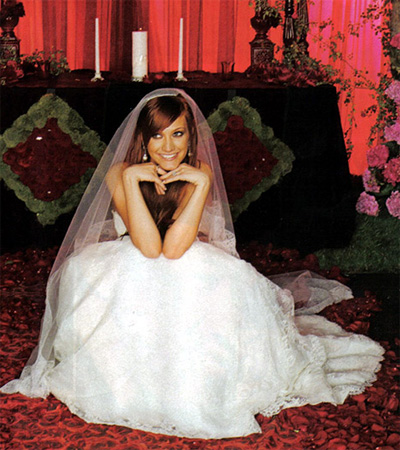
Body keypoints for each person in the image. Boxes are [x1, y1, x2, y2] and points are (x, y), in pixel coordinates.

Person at [1, 89, 384, 439]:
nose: (168, 146)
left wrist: (200, 184)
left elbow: (174, 248)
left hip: (184, 258)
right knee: (103, 277)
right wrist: (132, 179)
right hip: (129, 261)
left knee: (212, 281)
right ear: (143, 139)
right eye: (157, 136)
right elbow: (146, 246)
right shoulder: (121, 173)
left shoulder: (198, 171)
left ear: (190, 137)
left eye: (178, 134)